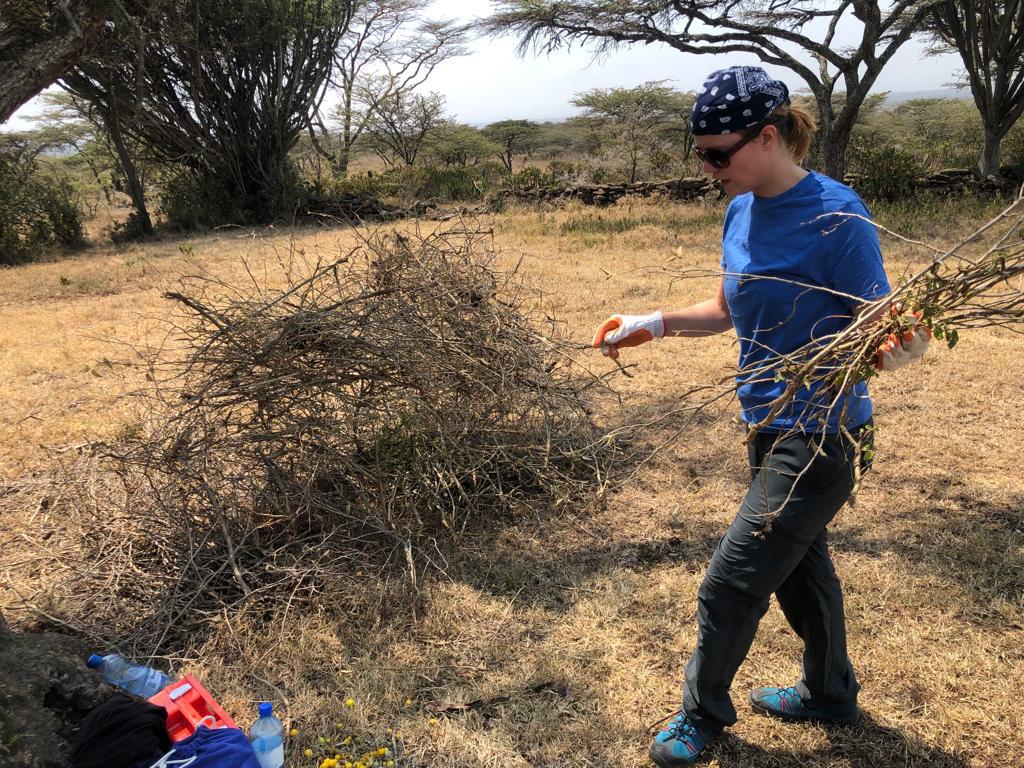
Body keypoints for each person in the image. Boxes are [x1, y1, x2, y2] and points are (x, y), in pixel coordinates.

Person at [590, 66, 930, 767]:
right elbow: (726, 309)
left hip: (823, 434)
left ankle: (701, 713)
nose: (708, 168)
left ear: (768, 136)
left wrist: (903, 349)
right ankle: (831, 694)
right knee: (803, 570)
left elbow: (881, 325)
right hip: (768, 423)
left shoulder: (838, 215)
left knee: (732, 580)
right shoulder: (741, 205)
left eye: (718, 153)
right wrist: (650, 322)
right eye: (701, 154)